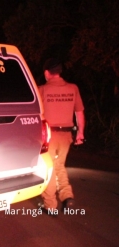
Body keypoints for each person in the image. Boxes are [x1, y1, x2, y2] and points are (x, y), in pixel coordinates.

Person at [38, 58, 85, 214]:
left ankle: (50, 205)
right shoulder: (73, 88)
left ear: (46, 73)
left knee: (48, 168)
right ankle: (67, 196)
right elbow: (79, 112)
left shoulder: (42, 90)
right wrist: (80, 132)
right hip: (66, 135)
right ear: (59, 72)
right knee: (59, 165)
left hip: (49, 135)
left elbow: (37, 114)